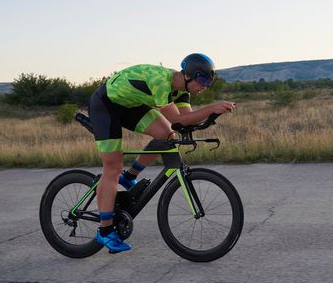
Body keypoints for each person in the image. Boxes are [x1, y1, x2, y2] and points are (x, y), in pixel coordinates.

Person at [88, 53, 235, 253]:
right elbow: (179, 119)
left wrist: (211, 115)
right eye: (202, 80)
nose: (204, 86)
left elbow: (187, 119)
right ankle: (105, 231)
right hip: (106, 105)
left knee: (166, 134)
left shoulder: (182, 92)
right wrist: (212, 107)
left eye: (208, 83)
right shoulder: (161, 82)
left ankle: (129, 177)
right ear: (189, 75)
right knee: (112, 165)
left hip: (130, 106)